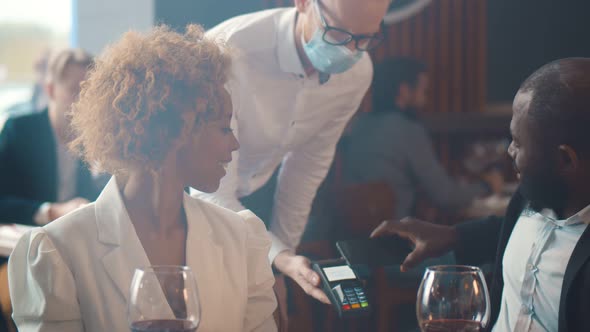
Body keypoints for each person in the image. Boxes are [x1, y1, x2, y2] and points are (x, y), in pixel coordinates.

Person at [8, 25, 277, 331]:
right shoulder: (59, 251)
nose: (234, 144)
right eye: (224, 128)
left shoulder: (241, 239)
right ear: (177, 130)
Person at [371, 58, 590, 332]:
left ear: (564, 160)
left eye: (518, 143)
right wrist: (451, 235)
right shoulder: (531, 195)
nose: (509, 152)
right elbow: (506, 229)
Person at [195, 0, 391, 303]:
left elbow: (307, 168)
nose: (351, 51)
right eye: (338, 34)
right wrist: (280, 257)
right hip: (186, 197)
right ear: (302, 3)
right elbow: (210, 192)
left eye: (365, 38)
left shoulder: (358, 73)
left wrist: (279, 268)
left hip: (256, 192)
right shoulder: (229, 51)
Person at [343, 57, 503, 220]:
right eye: (423, 91)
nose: (425, 100)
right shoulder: (407, 130)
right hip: (393, 237)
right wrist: (487, 185)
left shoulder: (358, 126)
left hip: (352, 238)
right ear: (404, 91)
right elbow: (445, 196)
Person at [0, 48, 104, 226]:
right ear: (50, 90)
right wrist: (52, 211)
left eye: (89, 92)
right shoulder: (19, 130)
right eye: (74, 90)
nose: (84, 100)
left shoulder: (96, 139)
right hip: (26, 244)